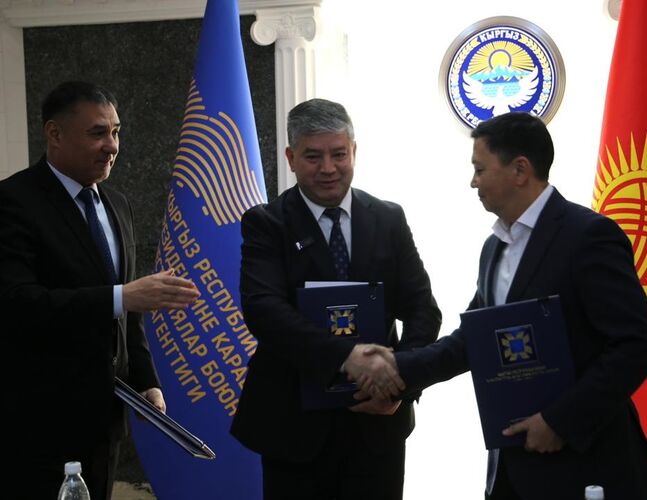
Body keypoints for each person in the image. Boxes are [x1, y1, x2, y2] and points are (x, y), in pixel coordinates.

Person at [355, 112, 647, 499]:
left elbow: (638, 343)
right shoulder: (494, 247)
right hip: (513, 468)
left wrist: (561, 421)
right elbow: (473, 341)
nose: (473, 182)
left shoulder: (588, 236)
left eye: (480, 169)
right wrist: (397, 368)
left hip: (587, 467)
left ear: (520, 170)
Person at [230, 98, 441, 500]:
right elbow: (264, 311)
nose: (328, 168)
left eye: (338, 154)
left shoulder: (388, 218)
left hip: (379, 423)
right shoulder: (266, 223)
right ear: (291, 158)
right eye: (313, 156)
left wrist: (398, 383)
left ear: (354, 151)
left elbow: (422, 309)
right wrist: (347, 357)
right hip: (295, 428)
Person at [0, 81, 200, 500]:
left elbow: (131, 311)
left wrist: (145, 381)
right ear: (54, 133)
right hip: (38, 423)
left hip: (105, 422)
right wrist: (121, 296)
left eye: (116, 132)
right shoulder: (13, 201)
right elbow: (16, 303)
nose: (112, 146)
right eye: (97, 133)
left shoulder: (118, 204)